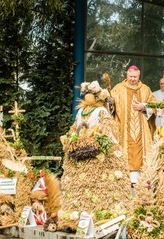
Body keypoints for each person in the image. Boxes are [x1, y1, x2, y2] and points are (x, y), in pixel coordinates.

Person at [58, 80, 132, 230]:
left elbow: (106, 130)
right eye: (87, 94)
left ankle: (98, 217)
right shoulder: (82, 112)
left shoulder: (101, 111)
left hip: (95, 151)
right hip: (83, 151)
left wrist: (98, 139)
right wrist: (72, 139)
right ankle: (76, 217)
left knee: (100, 187)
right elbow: (75, 129)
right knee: (81, 187)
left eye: (90, 94)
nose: (88, 97)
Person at [111, 65, 156, 184]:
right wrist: (110, 103)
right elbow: (110, 106)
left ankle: (142, 179)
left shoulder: (145, 89)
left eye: (135, 77)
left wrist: (144, 106)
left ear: (139, 76)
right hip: (123, 127)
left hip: (142, 127)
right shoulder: (118, 88)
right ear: (127, 75)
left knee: (141, 150)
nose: (132, 79)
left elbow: (155, 105)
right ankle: (124, 178)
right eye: (130, 76)